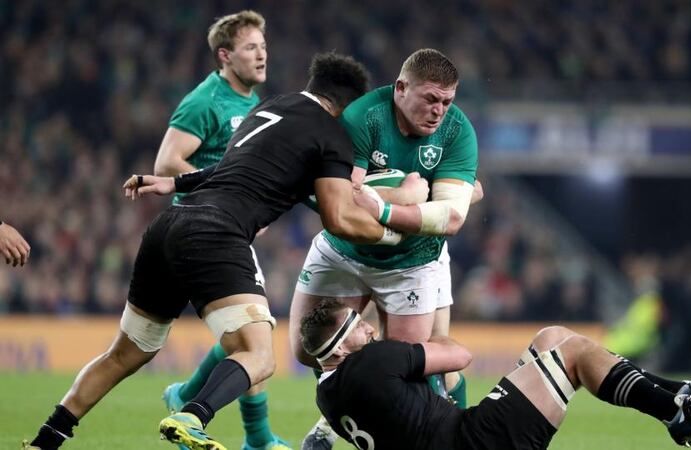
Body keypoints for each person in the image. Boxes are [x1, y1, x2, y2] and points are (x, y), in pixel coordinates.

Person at [23, 52, 397, 450]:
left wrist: (175, 183)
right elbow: (338, 218)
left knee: (125, 353)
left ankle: (46, 440)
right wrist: (391, 231)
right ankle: (191, 414)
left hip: (170, 225)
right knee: (259, 355)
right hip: (216, 232)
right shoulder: (333, 135)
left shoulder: (270, 107)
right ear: (350, 105)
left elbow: (230, 165)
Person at [293, 48, 479, 449]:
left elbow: (451, 218)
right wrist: (410, 196)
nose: (439, 111)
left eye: (447, 102)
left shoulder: (458, 132)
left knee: (409, 370)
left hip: (412, 262)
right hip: (345, 250)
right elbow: (342, 197)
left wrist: (383, 207)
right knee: (307, 350)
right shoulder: (363, 117)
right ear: (400, 88)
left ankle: (450, 434)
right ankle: (332, 421)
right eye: (430, 99)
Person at [300, 299, 691, 450]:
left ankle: (683, 398)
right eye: (357, 327)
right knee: (572, 351)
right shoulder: (374, 361)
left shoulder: (327, 397)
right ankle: (677, 409)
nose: (369, 327)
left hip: (462, 437)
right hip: (474, 442)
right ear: (339, 346)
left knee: (551, 337)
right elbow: (459, 356)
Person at [150, 10, 288, 450]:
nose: (262, 54)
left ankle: (189, 396)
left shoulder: (253, 104)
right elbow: (167, 161)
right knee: (255, 333)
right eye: (251, 47)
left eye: (264, 46)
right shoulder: (205, 100)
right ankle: (254, 436)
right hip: (204, 228)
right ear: (225, 56)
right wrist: (229, 194)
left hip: (226, 228)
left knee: (245, 335)